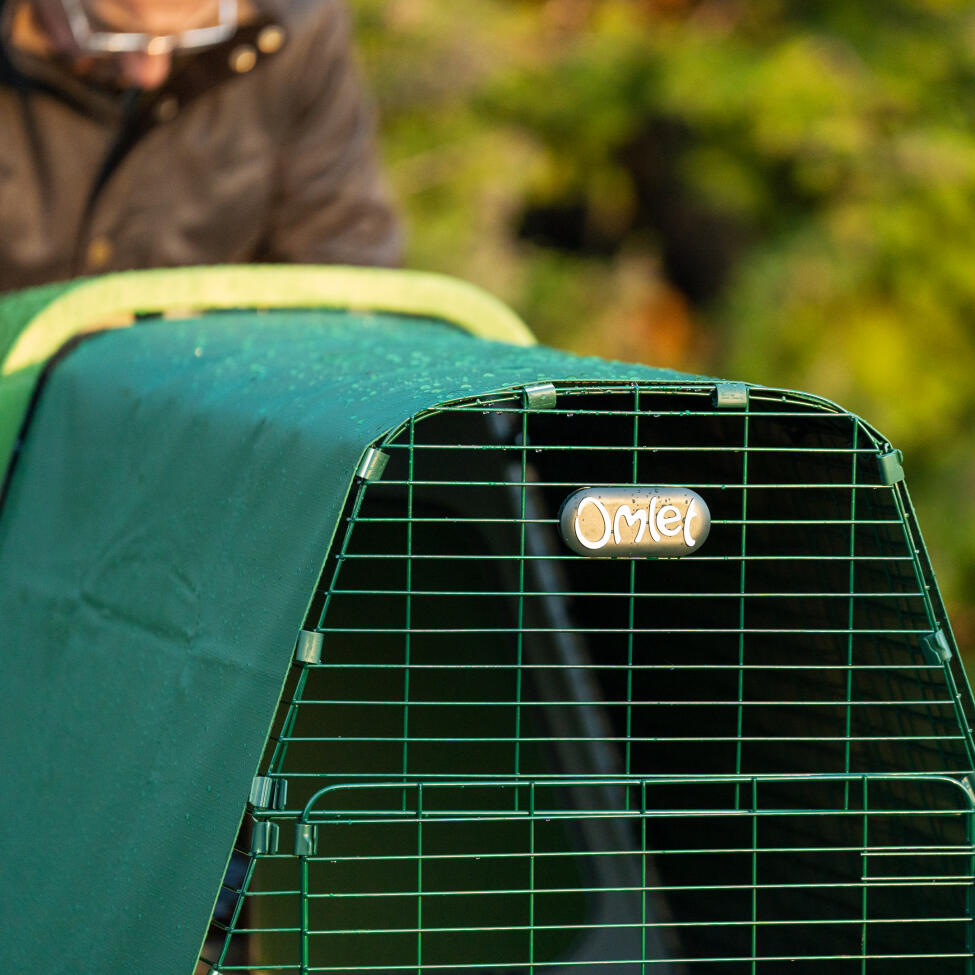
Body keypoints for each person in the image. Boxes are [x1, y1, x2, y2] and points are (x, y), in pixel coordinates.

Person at [0, 0, 402, 292]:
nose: (151, 71)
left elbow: (347, 255)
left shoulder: (295, 30)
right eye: (111, 32)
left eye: (198, 29)